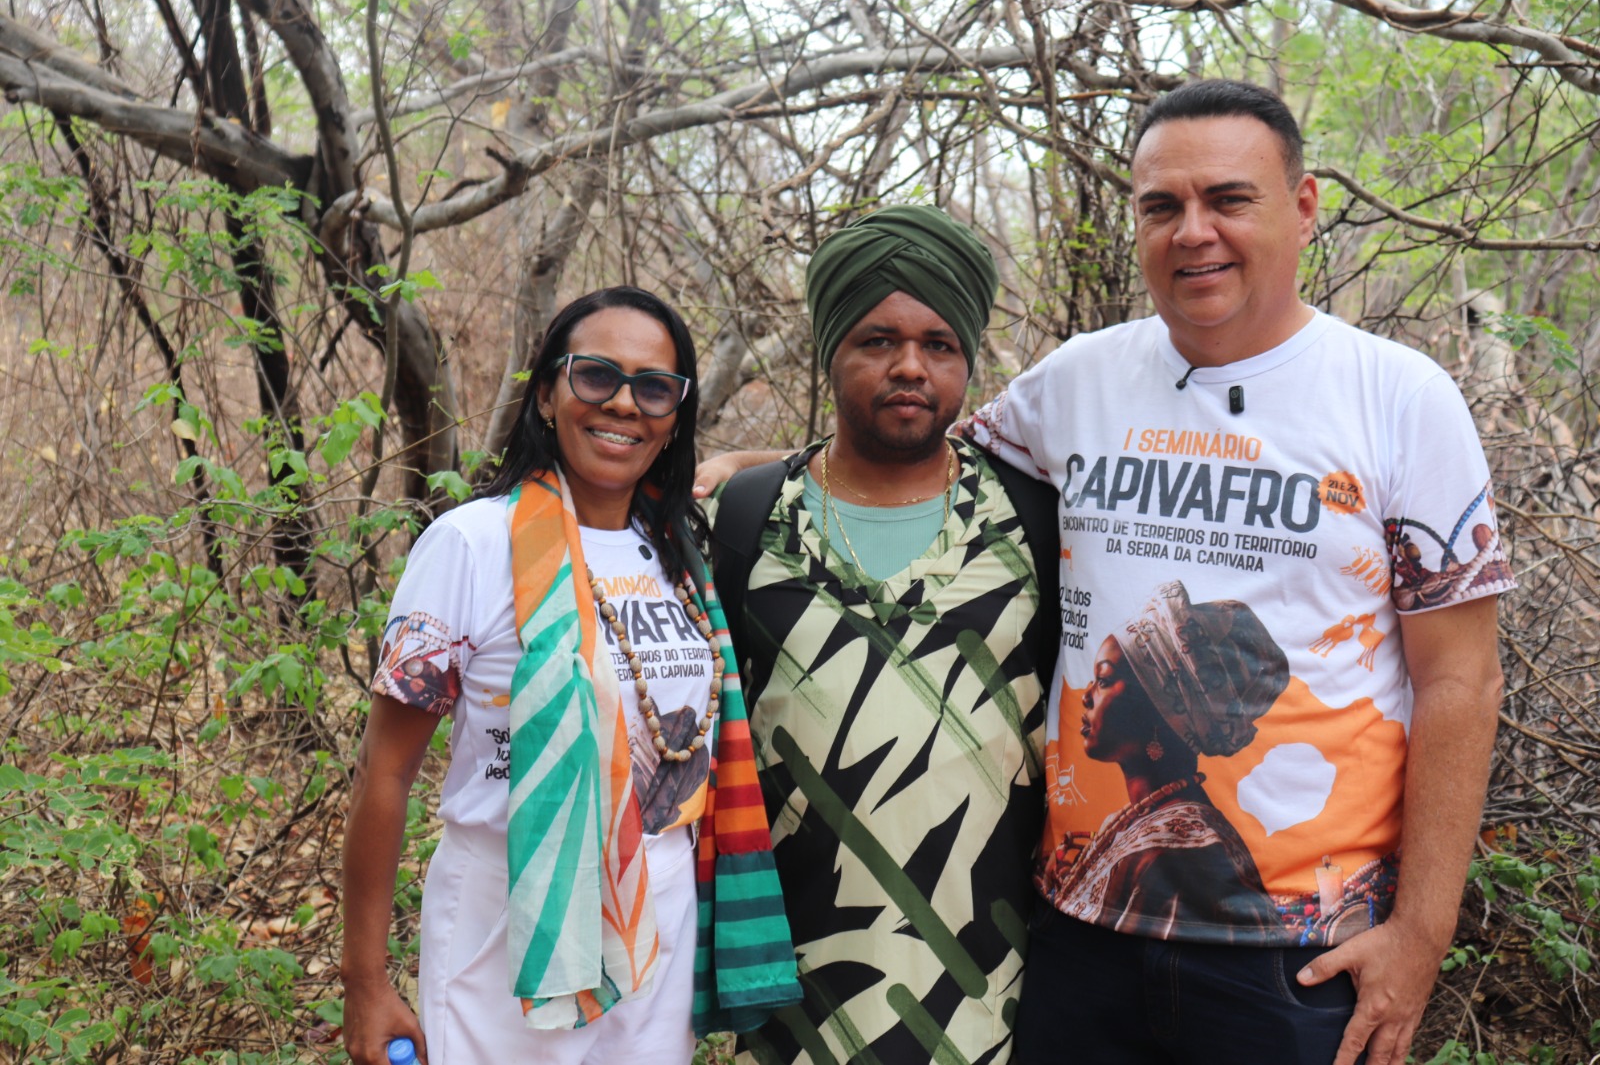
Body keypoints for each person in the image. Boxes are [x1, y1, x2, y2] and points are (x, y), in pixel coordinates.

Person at [962, 80, 1514, 1065]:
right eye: (1160, 206)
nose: (1193, 232)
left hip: (1291, 962)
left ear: (1302, 209)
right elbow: (922, 480)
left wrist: (1420, 936)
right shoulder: (1077, 380)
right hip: (1079, 941)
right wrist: (738, 476)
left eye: (1229, 198)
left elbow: (1460, 680)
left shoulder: (1395, 398)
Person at [340, 286, 799, 1065]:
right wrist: (364, 980)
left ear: (676, 415)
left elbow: (816, 463)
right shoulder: (471, 545)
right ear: (548, 394)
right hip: (507, 909)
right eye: (595, 376)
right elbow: (385, 773)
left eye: (654, 389)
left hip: (661, 902)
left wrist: (719, 464)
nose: (623, 404)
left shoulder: (679, 544)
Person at [704, 205, 1059, 1065]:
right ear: (830, 350)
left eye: (940, 345)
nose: (911, 366)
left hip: (994, 979)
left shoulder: (1031, 518)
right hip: (797, 982)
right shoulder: (751, 517)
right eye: (877, 341)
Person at [1042, 582, 1286, 941]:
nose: (1086, 696)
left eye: (1104, 679)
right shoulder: (1141, 823)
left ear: (1160, 709)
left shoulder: (1179, 852)